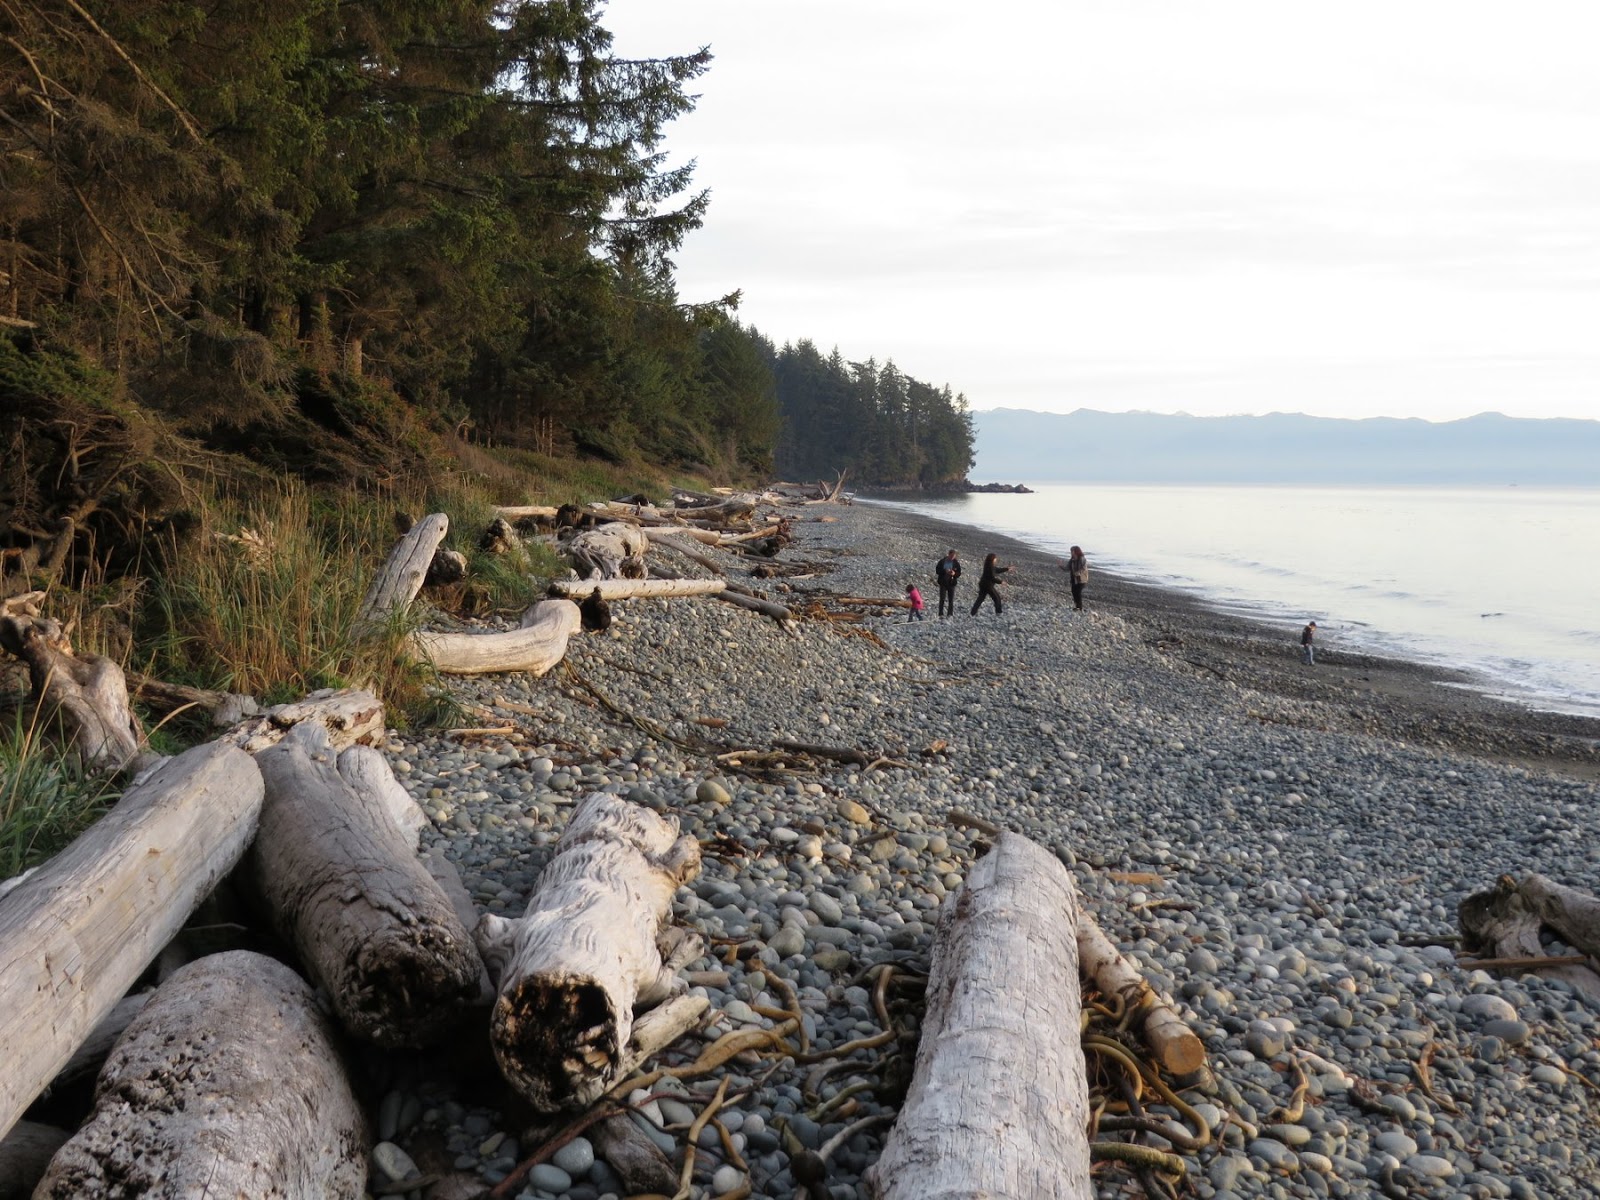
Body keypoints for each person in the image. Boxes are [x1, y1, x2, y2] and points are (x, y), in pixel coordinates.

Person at [934, 549, 961, 618]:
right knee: (942, 599)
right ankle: (940, 614)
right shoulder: (942, 561)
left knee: (951, 599)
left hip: (951, 583)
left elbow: (959, 573)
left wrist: (954, 573)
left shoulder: (956, 563)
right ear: (948, 554)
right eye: (951, 556)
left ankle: (950, 614)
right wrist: (944, 571)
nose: (952, 557)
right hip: (943, 583)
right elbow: (937, 570)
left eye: (953, 556)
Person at [1060, 545, 1088, 610]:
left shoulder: (1082, 559)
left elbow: (1083, 568)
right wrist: (1061, 566)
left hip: (1081, 579)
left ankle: (1079, 607)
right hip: (1074, 578)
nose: (1071, 553)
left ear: (1076, 551)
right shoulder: (1072, 560)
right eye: (1071, 551)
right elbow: (1067, 568)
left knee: (1078, 592)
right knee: (1073, 592)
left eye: (1072, 551)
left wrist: (1077, 573)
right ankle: (1077, 606)